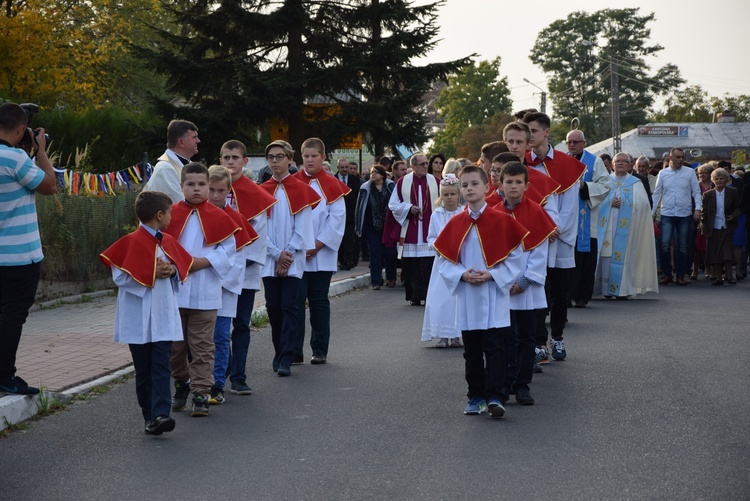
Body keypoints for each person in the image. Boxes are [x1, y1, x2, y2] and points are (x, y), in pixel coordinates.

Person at [434, 165, 527, 418]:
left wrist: (493, 275)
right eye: (465, 185)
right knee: (472, 349)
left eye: (475, 184)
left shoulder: (503, 221)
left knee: (496, 347)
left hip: (494, 294)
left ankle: (495, 396)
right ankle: (475, 396)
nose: (469, 189)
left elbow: (517, 258)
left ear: (487, 187)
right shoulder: (455, 223)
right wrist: (461, 274)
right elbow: (444, 260)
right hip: (468, 295)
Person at [100, 191, 193, 435]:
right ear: (159, 215)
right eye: (170, 212)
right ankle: (149, 416)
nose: (172, 216)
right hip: (138, 316)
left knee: (161, 365)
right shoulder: (130, 241)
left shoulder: (168, 241)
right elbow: (120, 276)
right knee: (143, 370)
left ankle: (162, 414)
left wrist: (170, 272)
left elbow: (180, 269)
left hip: (161, 314)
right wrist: (152, 273)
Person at [164, 162, 238, 417]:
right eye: (191, 184)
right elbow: (159, 246)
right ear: (182, 186)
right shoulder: (170, 214)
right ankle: (182, 383)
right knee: (175, 348)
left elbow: (228, 251)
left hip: (206, 292)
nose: (196, 189)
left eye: (201, 184)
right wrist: (173, 266)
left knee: (203, 347)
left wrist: (200, 264)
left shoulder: (221, 217)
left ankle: (200, 393)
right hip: (174, 292)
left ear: (208, 186)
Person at [0, 102, 56, 396]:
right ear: (21, 129)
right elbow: (49, 185)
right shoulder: (13, 159)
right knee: (12, 315)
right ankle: (5, 376)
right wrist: (41, 151)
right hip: (18, 256)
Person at [521, 112, 585, 362]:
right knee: (537, 288)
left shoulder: (568, 165)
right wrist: (539, 230)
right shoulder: (522, 163)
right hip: (536, 237)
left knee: (559, 291)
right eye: (527, 132)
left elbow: (570, 206)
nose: (529, 136)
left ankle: (557, 338)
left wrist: (556, 230)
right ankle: (538, 342)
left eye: (533, 131)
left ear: (546, 132)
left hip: (560, 238)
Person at [218, 140, 277, 396]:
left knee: (241, 324)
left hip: (244, 272)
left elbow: (259, 236)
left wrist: (238, 263)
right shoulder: (213, 190)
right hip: (216, 273)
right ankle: (220, 371)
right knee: (219, 326)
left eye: (234, 157)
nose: (230, 162)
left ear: (244, 162)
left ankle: (239, 376)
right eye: (225, 157)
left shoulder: (255, 194)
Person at [496, 162, 556, 405]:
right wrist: (501, 280)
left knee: (526, 337)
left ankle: (522, 385)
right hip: (501, 287)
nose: (513, 186)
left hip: (527, 289)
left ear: (526, 185)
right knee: (504, 338)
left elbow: (540, 251)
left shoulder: (536, 212)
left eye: (518, 182)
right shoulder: (494, 213)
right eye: (508, 182)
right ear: (500, 185)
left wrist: (523, 280)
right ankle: (504, 383)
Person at [260, 140, 319, 377]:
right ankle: (278, 350)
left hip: (292, 260)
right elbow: (258, 229)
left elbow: (304, 227)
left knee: (290, 307)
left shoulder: (301, 189)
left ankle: (287, 356)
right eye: (271, 157)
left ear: (290, 160)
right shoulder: (261, 190)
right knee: (273, 307)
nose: (275, 161)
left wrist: (287, 256)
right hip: (270, 258)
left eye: (280, 157)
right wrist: (276, 255)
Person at [293, 138, 349, 366]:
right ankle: (295, 350)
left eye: (314, 156)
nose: (309, 160)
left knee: (318, 302)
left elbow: (337, 220)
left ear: (323, 157)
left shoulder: (332, 184)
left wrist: (316, 245)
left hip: (321, 254)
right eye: (306, 156)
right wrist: (298, 246)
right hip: (296, 253)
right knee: (295, 302)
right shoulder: (293, 182)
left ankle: (320, 349)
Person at [206, 165, 257, 405]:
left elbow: (238, 259)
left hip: (224, 288)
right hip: (200, 288)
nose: (215, 196)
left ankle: (217, 383)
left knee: (221, 336)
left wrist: (218, 279)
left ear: (228, 191)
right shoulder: (197, 215)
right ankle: (199, 381)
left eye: (220, 191)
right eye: (211, 190)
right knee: (199, 338)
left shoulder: (236, 219)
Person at [593, 153, 658, 298]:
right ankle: (606, 290)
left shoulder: (636, 183)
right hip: (607, 227)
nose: (620, 163)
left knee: (625, 256)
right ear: (612, 165)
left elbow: (644, 206)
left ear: (630, 165)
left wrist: (626, 204)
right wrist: (609, 202)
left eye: (624, 161)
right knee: (607, 256)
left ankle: (622, 290)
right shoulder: (604, 181)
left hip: (628, 229)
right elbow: (595, 202)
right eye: (617, 161)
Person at [565, 129, 612, 308]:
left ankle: (583, 296)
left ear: (584, 143)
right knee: (566, 258)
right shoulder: (561, 160)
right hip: (565, 218)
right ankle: (566, 295)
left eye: (576, 142)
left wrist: (585, 186)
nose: (572, 145)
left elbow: (605, 185)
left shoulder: (594, 161)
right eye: (569, 141)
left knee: (585, 259)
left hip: (586, 219)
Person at [388, 153, 440, 306]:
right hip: (410, 229)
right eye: (421, 164)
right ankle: (414, 296)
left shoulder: (436, 181)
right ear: (413, 166)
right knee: (411, 265)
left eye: (426, 163)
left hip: (429, 229)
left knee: (428, 264)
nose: (425, 166)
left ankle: (429, 295)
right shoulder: (403, 182)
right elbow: (393, 204)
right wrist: (408, 208)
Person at [421, 174, 463, 348]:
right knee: (440, 298)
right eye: (446, 194)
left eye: (453, 194)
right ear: (441, 196)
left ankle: (456, 335)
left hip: (459, 261)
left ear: (458, 194)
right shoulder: (436, 215)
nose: (449, 197)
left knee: (456, 299)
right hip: (442, 262)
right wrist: (438, 248)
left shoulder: (463, 213)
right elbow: (431, 237)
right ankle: (442, 335)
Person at [652, 147, 702, 286]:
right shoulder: (662, 173)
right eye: (678, 157)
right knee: (664, 244)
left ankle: (681, 275)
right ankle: (667, 274)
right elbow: (657, 194)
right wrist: (651, 213)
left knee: (683, 246)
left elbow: (696, 192)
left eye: (682, 157)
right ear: (670, 158)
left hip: (684, 213)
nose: (681, 159)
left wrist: (698, 209)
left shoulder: (690, 172)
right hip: (667, 213)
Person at [355, 165, 397, 289]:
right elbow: (359, 207)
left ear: (383, 175)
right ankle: (376, 281)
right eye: (372, 172)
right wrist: (359, 225)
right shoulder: (365, 187)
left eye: (377, 172)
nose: (373, 175)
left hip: (388, 225)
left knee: (390, 253)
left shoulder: (390, 186)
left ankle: (391, 277)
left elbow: (396, 203)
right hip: (371, 225)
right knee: (375, 253)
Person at [700, 168, 741, 285]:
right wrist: (705, 229)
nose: (719, 181)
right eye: (716, 179)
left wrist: (733, 216)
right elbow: (704, 214)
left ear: (726, 180)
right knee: (715, 252)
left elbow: (738, 208)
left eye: (721, 179)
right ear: (713, 180)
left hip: (728, 226)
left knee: (727, 251)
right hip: (713, 227)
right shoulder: (708, 195)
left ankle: (729, 276)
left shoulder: (732, 192)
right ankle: (718, 277)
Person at [144, 120, 200, 203]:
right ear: (181, 142)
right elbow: (180, 204)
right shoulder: (165, 168)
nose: (198, 141)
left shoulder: (188, 164)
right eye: (194, 137)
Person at [336, 158, 362, 270]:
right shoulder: (333, 179)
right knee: (339, 239)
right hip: (336, 214)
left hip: (350, 214)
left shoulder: (355, 180)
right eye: (342, 167)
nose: (345, 169)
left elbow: (358, 197)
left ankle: (348, 261)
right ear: (338, 168)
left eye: (346, 167)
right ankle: (341, 260)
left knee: (350, 238)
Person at [693, 164, 715, 280]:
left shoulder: (714, 186)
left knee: (709, 246)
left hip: (710, 219)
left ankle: (709, 268)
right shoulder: (695, 186)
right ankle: (695, 269)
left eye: (704, 173)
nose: (701, 175)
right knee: (697, 246)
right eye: (700, 173)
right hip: (697, 218)